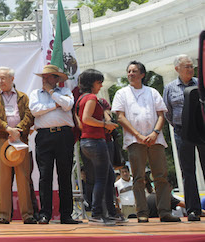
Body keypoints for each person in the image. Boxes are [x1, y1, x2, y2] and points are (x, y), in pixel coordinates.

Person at [112, 61, 180, 223]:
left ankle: (164, 211)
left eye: (134, 71)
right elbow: (120, 117)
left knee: (161, 176)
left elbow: (161, 114)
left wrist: (155, 133)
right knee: (138, 178)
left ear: (142, 74)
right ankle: (142, 212)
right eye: (128, 71)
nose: (130, 74)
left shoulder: (152, 92)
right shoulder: (122, 93)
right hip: (135, 141)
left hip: (155, 140)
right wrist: (138, 135)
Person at [29, 64, 80, 225]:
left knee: (65, 175)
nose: (44, 79)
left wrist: (52, 93)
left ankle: (66, 214)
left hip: (64, 135)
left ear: (56, 79)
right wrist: (54, 105)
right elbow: (35, 110)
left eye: (48, 76)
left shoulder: (65, 91)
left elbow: (68, 105)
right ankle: (45, 214)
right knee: (45, 176)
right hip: (44, 136)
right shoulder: (35, 93)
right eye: (43, 76)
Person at [0, 66, 36, 224]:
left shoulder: (23, 97)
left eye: (3, 78)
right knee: (3, 178)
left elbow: (29, 115)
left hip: (20, 140)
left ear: (12, 79)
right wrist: (7, 128)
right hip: (2, 140)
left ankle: (28, 215)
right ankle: (3, 215)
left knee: (23, 177)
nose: (0, 81)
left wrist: (18, 130)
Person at [76, 69, 126, 224]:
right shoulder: (91, 98)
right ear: (92, 83)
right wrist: (106, 124)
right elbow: (86, 119)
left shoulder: (80, 99)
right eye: (99, 82)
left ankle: (109, 212)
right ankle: (97, 213)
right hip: (96, 141)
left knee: (106, 176)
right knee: (102, 178)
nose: (101, 85)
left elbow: (80, 122)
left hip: (86, 141)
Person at [163, 54, 203, 221]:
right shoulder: (170, 88)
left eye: (191, 66)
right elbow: (167, 112)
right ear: (177, 69)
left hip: (202, 131)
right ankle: (193, 210)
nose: (190, 69)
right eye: (186, 66)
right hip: (182, 132)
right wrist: (180, 127)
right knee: (188, 172)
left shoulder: (201, 84)